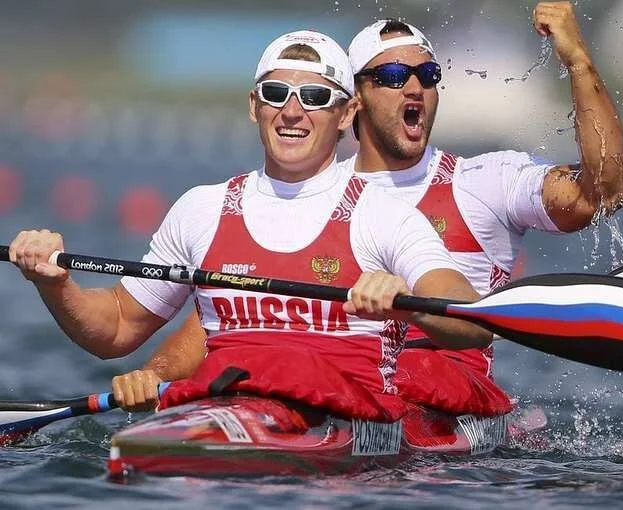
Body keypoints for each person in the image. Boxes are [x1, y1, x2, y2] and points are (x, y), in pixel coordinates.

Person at [113, 1, 623, 415]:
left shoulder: (485, 183)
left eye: (427, 73)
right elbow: (226, 317)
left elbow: (605, 192)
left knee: (406, 374)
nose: (414, 86)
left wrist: (578, 61)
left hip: (441, 399)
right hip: (322, 391)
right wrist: (156, 378)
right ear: (354, 100)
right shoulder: (308, 196)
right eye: (392, 76)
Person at [8, 30, 493, 422]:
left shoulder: (383, 213)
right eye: (276, 94)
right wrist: (55, 284)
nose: (292, 112)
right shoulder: (202, 209)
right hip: (226, 411)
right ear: (253, 106)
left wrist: (407, 301)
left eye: (315, 97)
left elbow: (472, 321)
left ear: (347, 114)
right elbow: (115, 328)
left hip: (343, 430)